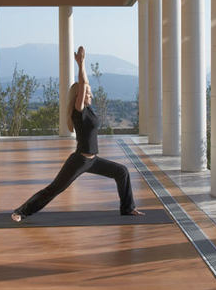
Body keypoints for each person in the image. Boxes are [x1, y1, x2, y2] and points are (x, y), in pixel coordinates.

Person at [11, 46, 143, 222]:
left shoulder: (88, 109)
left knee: (122, 172)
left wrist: (84, 66)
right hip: (79, 161)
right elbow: (82, 85)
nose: (91, 95)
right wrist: (81, 64)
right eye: (87, 93)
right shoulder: (78, 111)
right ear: (79, 96)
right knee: (55, 188)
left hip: (93, 160)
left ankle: (128, 208)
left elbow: (85, 84)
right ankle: (21, 212)